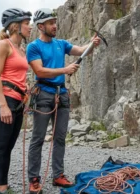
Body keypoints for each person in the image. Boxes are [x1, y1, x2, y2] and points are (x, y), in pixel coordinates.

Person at [26, 8, 101, 194]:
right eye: (51, 23)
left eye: (55, 22)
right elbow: (40, 71)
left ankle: (58, 175)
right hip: (43, 94)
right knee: (37, 139)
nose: (55, 25)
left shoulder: (61, 44)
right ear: (41, 26)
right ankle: (34, 179)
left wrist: (91, 44)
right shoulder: (33, 47)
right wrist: (64, 70)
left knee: (60, 138)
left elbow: (81, 50)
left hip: (62, 95)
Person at [0, 8, 32, 194]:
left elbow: (16, 75)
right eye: (27, 23)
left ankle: (3, 186)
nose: (30, 27)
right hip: (5, 102)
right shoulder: (3, 45)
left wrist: (26, 88)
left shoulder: (22, 50)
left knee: (8, 147)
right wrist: (3, 106)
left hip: (18, 102)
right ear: (15, 26)